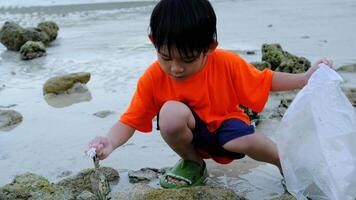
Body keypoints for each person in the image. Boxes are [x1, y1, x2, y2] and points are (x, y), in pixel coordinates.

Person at [88, 0, 333, 189]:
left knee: (243, 140)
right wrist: (110, 142)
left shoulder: (226, 63)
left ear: (210, 46)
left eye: (188, 59)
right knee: (170, 114)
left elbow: (266, 80)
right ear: (153, 42)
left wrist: (303, 79)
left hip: (228, 125)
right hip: (193, 136)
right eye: (166, 57)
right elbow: (130, 120)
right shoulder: (153, 78)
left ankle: (284, 163)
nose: (176, 68)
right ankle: (193, 164)